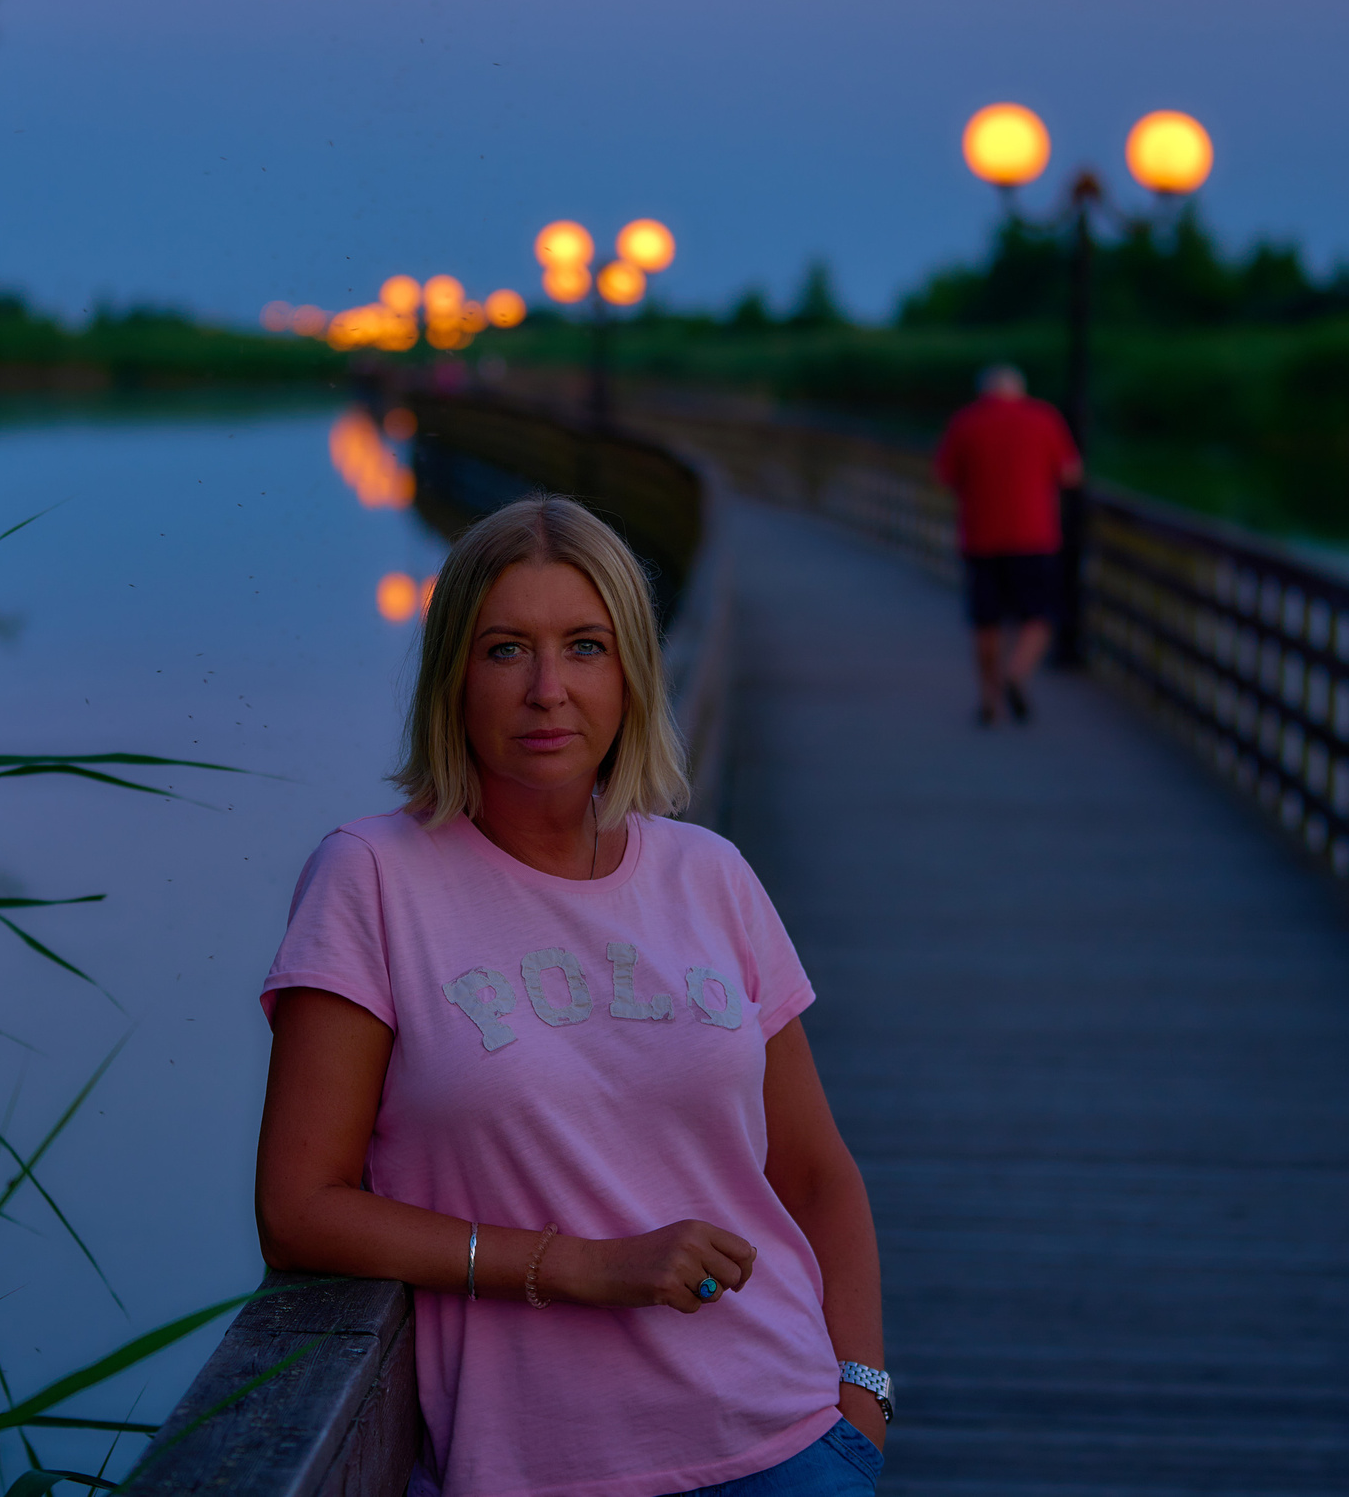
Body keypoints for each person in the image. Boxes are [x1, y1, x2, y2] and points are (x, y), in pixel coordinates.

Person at [255, 494, 891, 1497]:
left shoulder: (709, 874)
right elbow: (299, 1211)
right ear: (452, 677)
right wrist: (581, 1267)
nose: (548, 690)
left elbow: (815, 1175)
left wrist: (860, 1400)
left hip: (787, 1444)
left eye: (585, 647)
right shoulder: (371, 878)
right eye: (506, 649)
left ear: (632, 674)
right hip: (536, 1470)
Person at [932, 364, 1083, 726]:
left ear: (985, 391)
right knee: (1039, 615)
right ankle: (1016, 673)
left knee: (986, 622)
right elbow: (1070, 474)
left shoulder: (966, 421)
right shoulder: (1044, 418)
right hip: (1034, 535)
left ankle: (988, 699)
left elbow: (945, 476)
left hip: (981, 536)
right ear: (1020, 390)